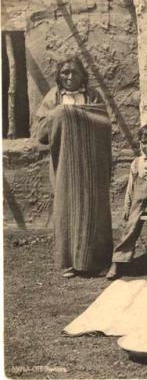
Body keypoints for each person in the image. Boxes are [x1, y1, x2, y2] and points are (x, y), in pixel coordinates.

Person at [35, 56, 112, 278]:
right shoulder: (54, 97)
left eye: (74, 72)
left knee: (95, 209)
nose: (69, 77)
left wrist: (74, 115)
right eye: (65, 73)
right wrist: (64, 114)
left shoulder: (93, 96)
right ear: (59, 76)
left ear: (83, 75)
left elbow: (104, 122)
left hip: (92, 164)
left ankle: (97, 262)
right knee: (66, 208)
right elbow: (41, 132)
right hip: (66, 166)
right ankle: (68, 262)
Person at [106, 124, 147, 280]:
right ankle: (118, 261)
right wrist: (127, 207)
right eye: (144, 143)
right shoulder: (136, 163)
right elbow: (130, 187)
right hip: (137, 202)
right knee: (130, 227)